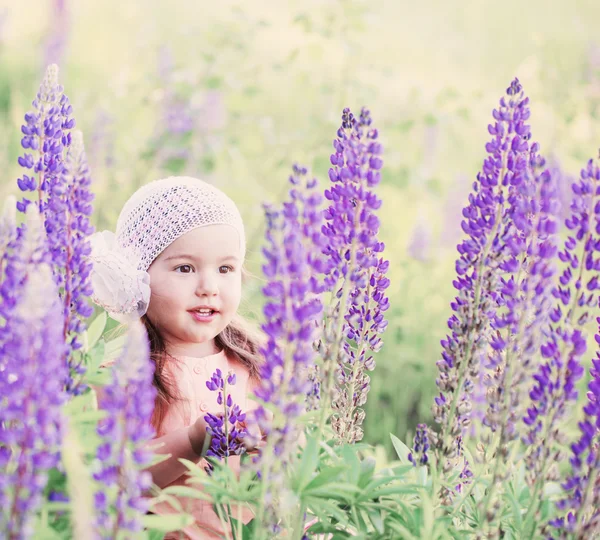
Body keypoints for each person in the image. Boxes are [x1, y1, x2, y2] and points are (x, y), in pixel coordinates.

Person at [89, 176, 265, 539]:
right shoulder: (126, 375)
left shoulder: (256, 363)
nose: (209, 286)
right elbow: (119, 478)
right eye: (185, 268)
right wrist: (192, 440)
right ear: (138, 277)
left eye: (225, 268)